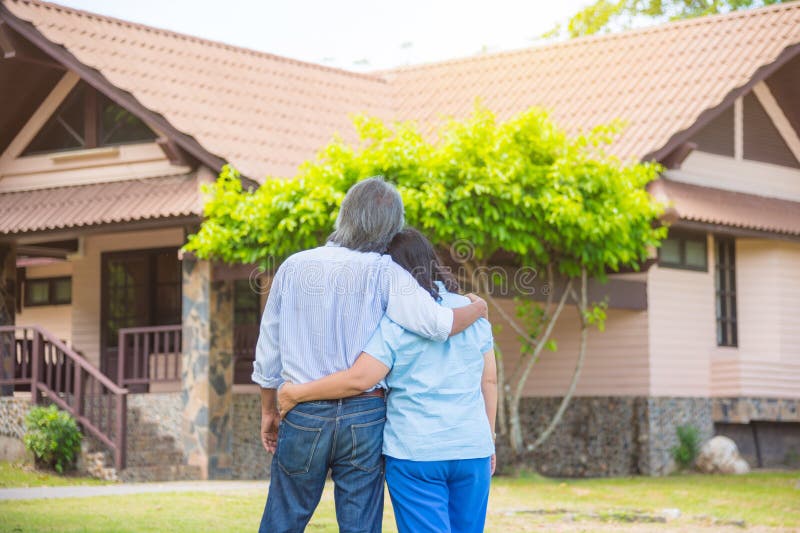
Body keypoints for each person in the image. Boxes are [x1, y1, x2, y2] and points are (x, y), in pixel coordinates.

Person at [253, 177, 488, 533]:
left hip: (301, 409)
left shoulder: (294, 266)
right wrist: (479, 306)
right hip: (365, 415)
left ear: (343, 215)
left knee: (282, 519)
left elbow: (268, 350)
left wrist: (269, 410)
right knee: (360, 526)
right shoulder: (386, 271)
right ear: (392, 228)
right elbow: (438, 325)